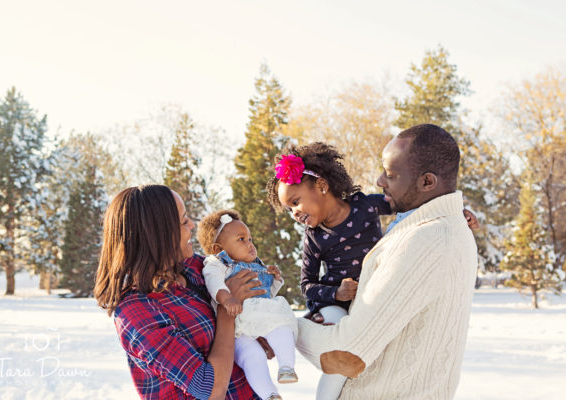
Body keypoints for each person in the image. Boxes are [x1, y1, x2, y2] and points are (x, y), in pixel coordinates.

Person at [266, 142, 478, 400]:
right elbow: (307, 284)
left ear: (322, 186)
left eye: (296, 202)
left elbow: (409, 207)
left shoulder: (364, 207)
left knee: (343, 354)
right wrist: (335, 294)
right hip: (336, 303)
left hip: (366, 300)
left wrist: (456, 211)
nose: (294, 214)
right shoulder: (314, 237)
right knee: (335, 370)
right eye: (289, 209)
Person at [94, 185, 263, 400]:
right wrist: (227, 308)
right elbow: (210, 390)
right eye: (183, 222)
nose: (192, 225)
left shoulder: (197, 269)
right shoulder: (136, 310)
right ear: (157, 234)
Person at [197, 210, 298, 400]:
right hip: (237, 329)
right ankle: (269, 394)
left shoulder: (257, 265)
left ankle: (287, 367)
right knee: (253, 357)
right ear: (218, 249)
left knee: (281, 328)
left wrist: (275, 280)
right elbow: (213, 283)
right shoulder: (216, 264)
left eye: (250, 239)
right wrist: (227, 299)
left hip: (260, 319)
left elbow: (263, 295)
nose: (250, 244)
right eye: (241, 239)